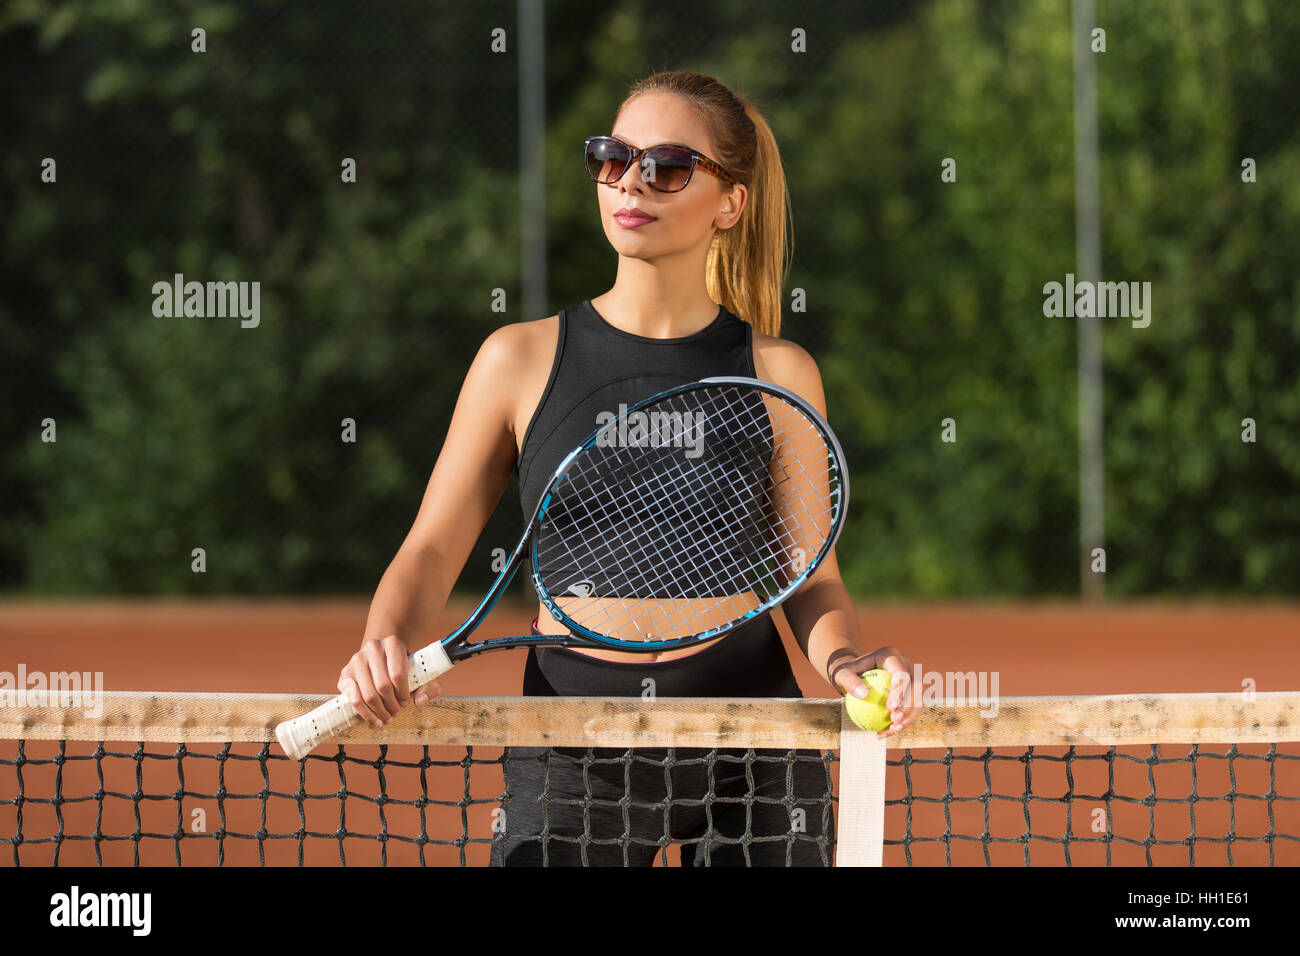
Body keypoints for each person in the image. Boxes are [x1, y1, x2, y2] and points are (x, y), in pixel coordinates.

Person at [334, 69, 919, 866]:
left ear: (728, 202)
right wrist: (384, 641)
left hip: (752, 732)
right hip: (572, 740)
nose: (632, 181)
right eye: (613, 158)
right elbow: (431, 550)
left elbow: (811, 577)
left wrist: (848, 661)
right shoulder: (517, 359)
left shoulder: (779, 372)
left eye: (668, 165)